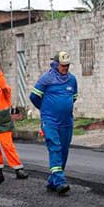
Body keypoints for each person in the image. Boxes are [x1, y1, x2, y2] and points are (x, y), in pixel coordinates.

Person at [30, 50, 78, 195]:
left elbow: (73, 97)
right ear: (56, 64)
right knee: (55, 147)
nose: (65, 68)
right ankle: (59, 181)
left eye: (67, 66)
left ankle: (53, 180)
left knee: (63, 149)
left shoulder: (72, 80)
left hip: (66, 122)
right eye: (63, 66)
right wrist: (45, 110)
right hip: (50, 121)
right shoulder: (46, 79)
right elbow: (34, 97)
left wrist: (64, 106)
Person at [0, 60, 28, 180]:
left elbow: (3, 86)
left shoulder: (4, 91)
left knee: (8, 147)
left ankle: (19, 169)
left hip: (3, 124)